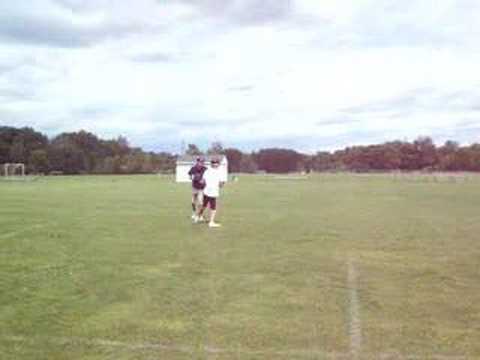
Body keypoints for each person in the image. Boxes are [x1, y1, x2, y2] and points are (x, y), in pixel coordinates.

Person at [195, 158, 224, 227]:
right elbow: (220, 184)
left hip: (206, 191)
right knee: (213, 207)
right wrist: (221, 184)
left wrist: (199, 180)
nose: (216, 164)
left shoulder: (207, 171)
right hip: (213, 191)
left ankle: (198, 217)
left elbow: (202, 181)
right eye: (215, 163)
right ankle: (211, 222)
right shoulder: (219, 172)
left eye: (216, 163)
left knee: (204, 205)